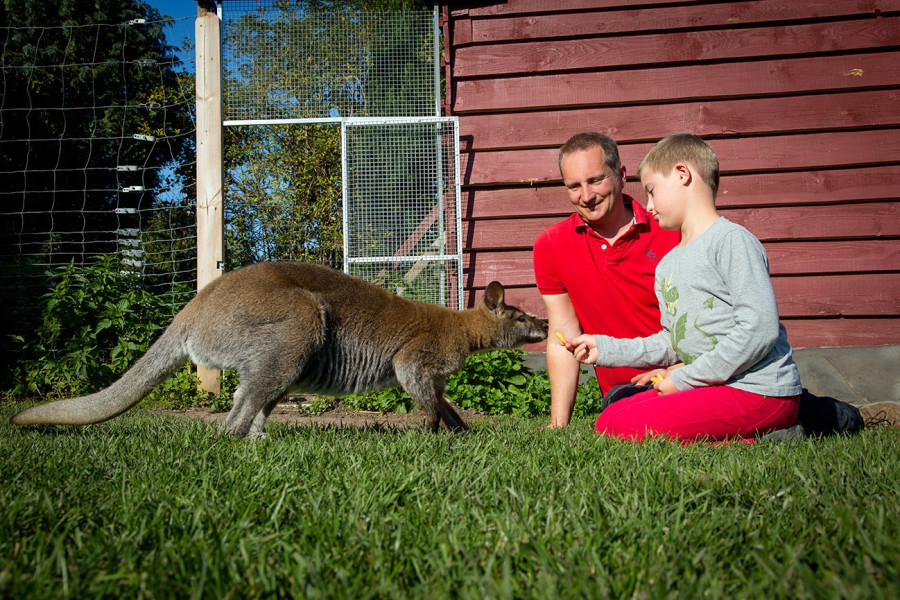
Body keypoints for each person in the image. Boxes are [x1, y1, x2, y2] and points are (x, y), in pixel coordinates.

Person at [564, 133, 802, 442]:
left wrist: (686, 378)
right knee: (611, 415)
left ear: (682, 175)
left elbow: (759, 329)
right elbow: (673, 341)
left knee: (621, 426)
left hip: (759, 391)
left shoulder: (731, 241)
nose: (648, 206)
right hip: (715, 386)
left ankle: (766, 436)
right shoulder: (668, 264)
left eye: (651, 191)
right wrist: (605, 348)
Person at [532, 132, 680, 428]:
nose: (586, 196)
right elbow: (563, 333)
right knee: (620, 415)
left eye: (596, 180)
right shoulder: (551, 245)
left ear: (621, 175)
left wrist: (685, 370)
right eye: (574, 186)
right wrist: (558, 423)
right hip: (626, 392)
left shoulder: (670, 229)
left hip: (685, 374)